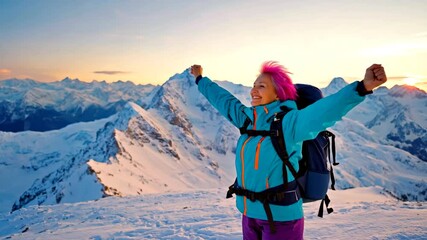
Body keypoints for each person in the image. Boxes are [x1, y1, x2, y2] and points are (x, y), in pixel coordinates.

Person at [190, 61, 387, 240]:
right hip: (249, 215)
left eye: (261, 86)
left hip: (281, 218)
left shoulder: (289, 123)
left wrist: (362, 87)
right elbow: (224, 101)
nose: (253, 91)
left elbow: (326, 110)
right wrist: (200, 79)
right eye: (254, 85)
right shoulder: (248, 119)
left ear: (278, 93)